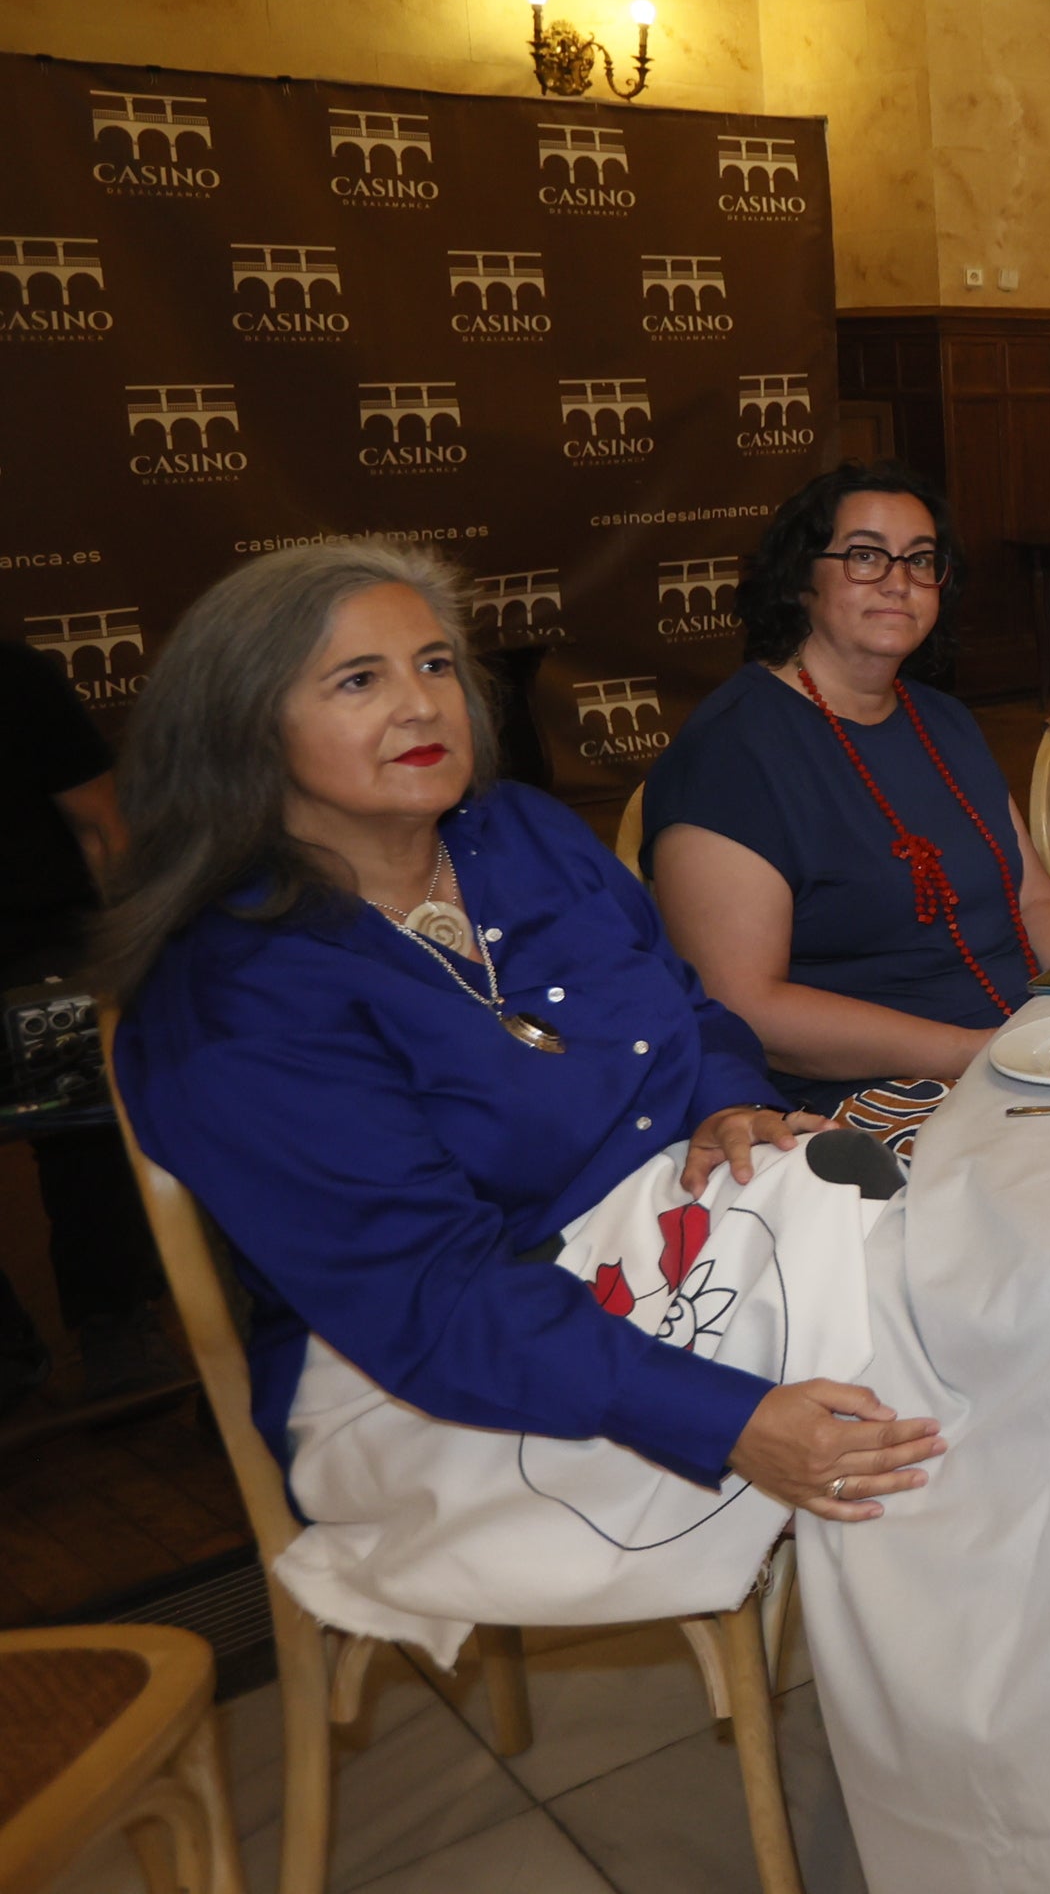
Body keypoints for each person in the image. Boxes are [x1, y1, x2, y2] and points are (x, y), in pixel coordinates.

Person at [98, 544, 940, 1639]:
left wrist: (729, 1099)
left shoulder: (522, 834)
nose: (419, 703)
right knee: (929, 1388)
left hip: (665, 1240)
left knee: (939, 1288)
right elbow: (434, 1299)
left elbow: (686, 1009)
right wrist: (732, 1420)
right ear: (244, 729)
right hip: (424, 1381)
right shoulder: (239, 992)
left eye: (437, 662)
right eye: (358, 680)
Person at [647, 462, 1050, 1105]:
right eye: (865, 557)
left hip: (1032, 1061)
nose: (899, 582)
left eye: (920, 560)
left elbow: (1034, 901)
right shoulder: (731, 754)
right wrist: (983, 1054)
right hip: (870, 1098)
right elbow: (746, 1006)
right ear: (802, 577)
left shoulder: (944, 719)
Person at [0, 638, 169, 1412]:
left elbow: (101, 822)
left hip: (38, 946)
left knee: (84, 1142)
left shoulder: (11, 670)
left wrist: (138, 958)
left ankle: (113, 1322)